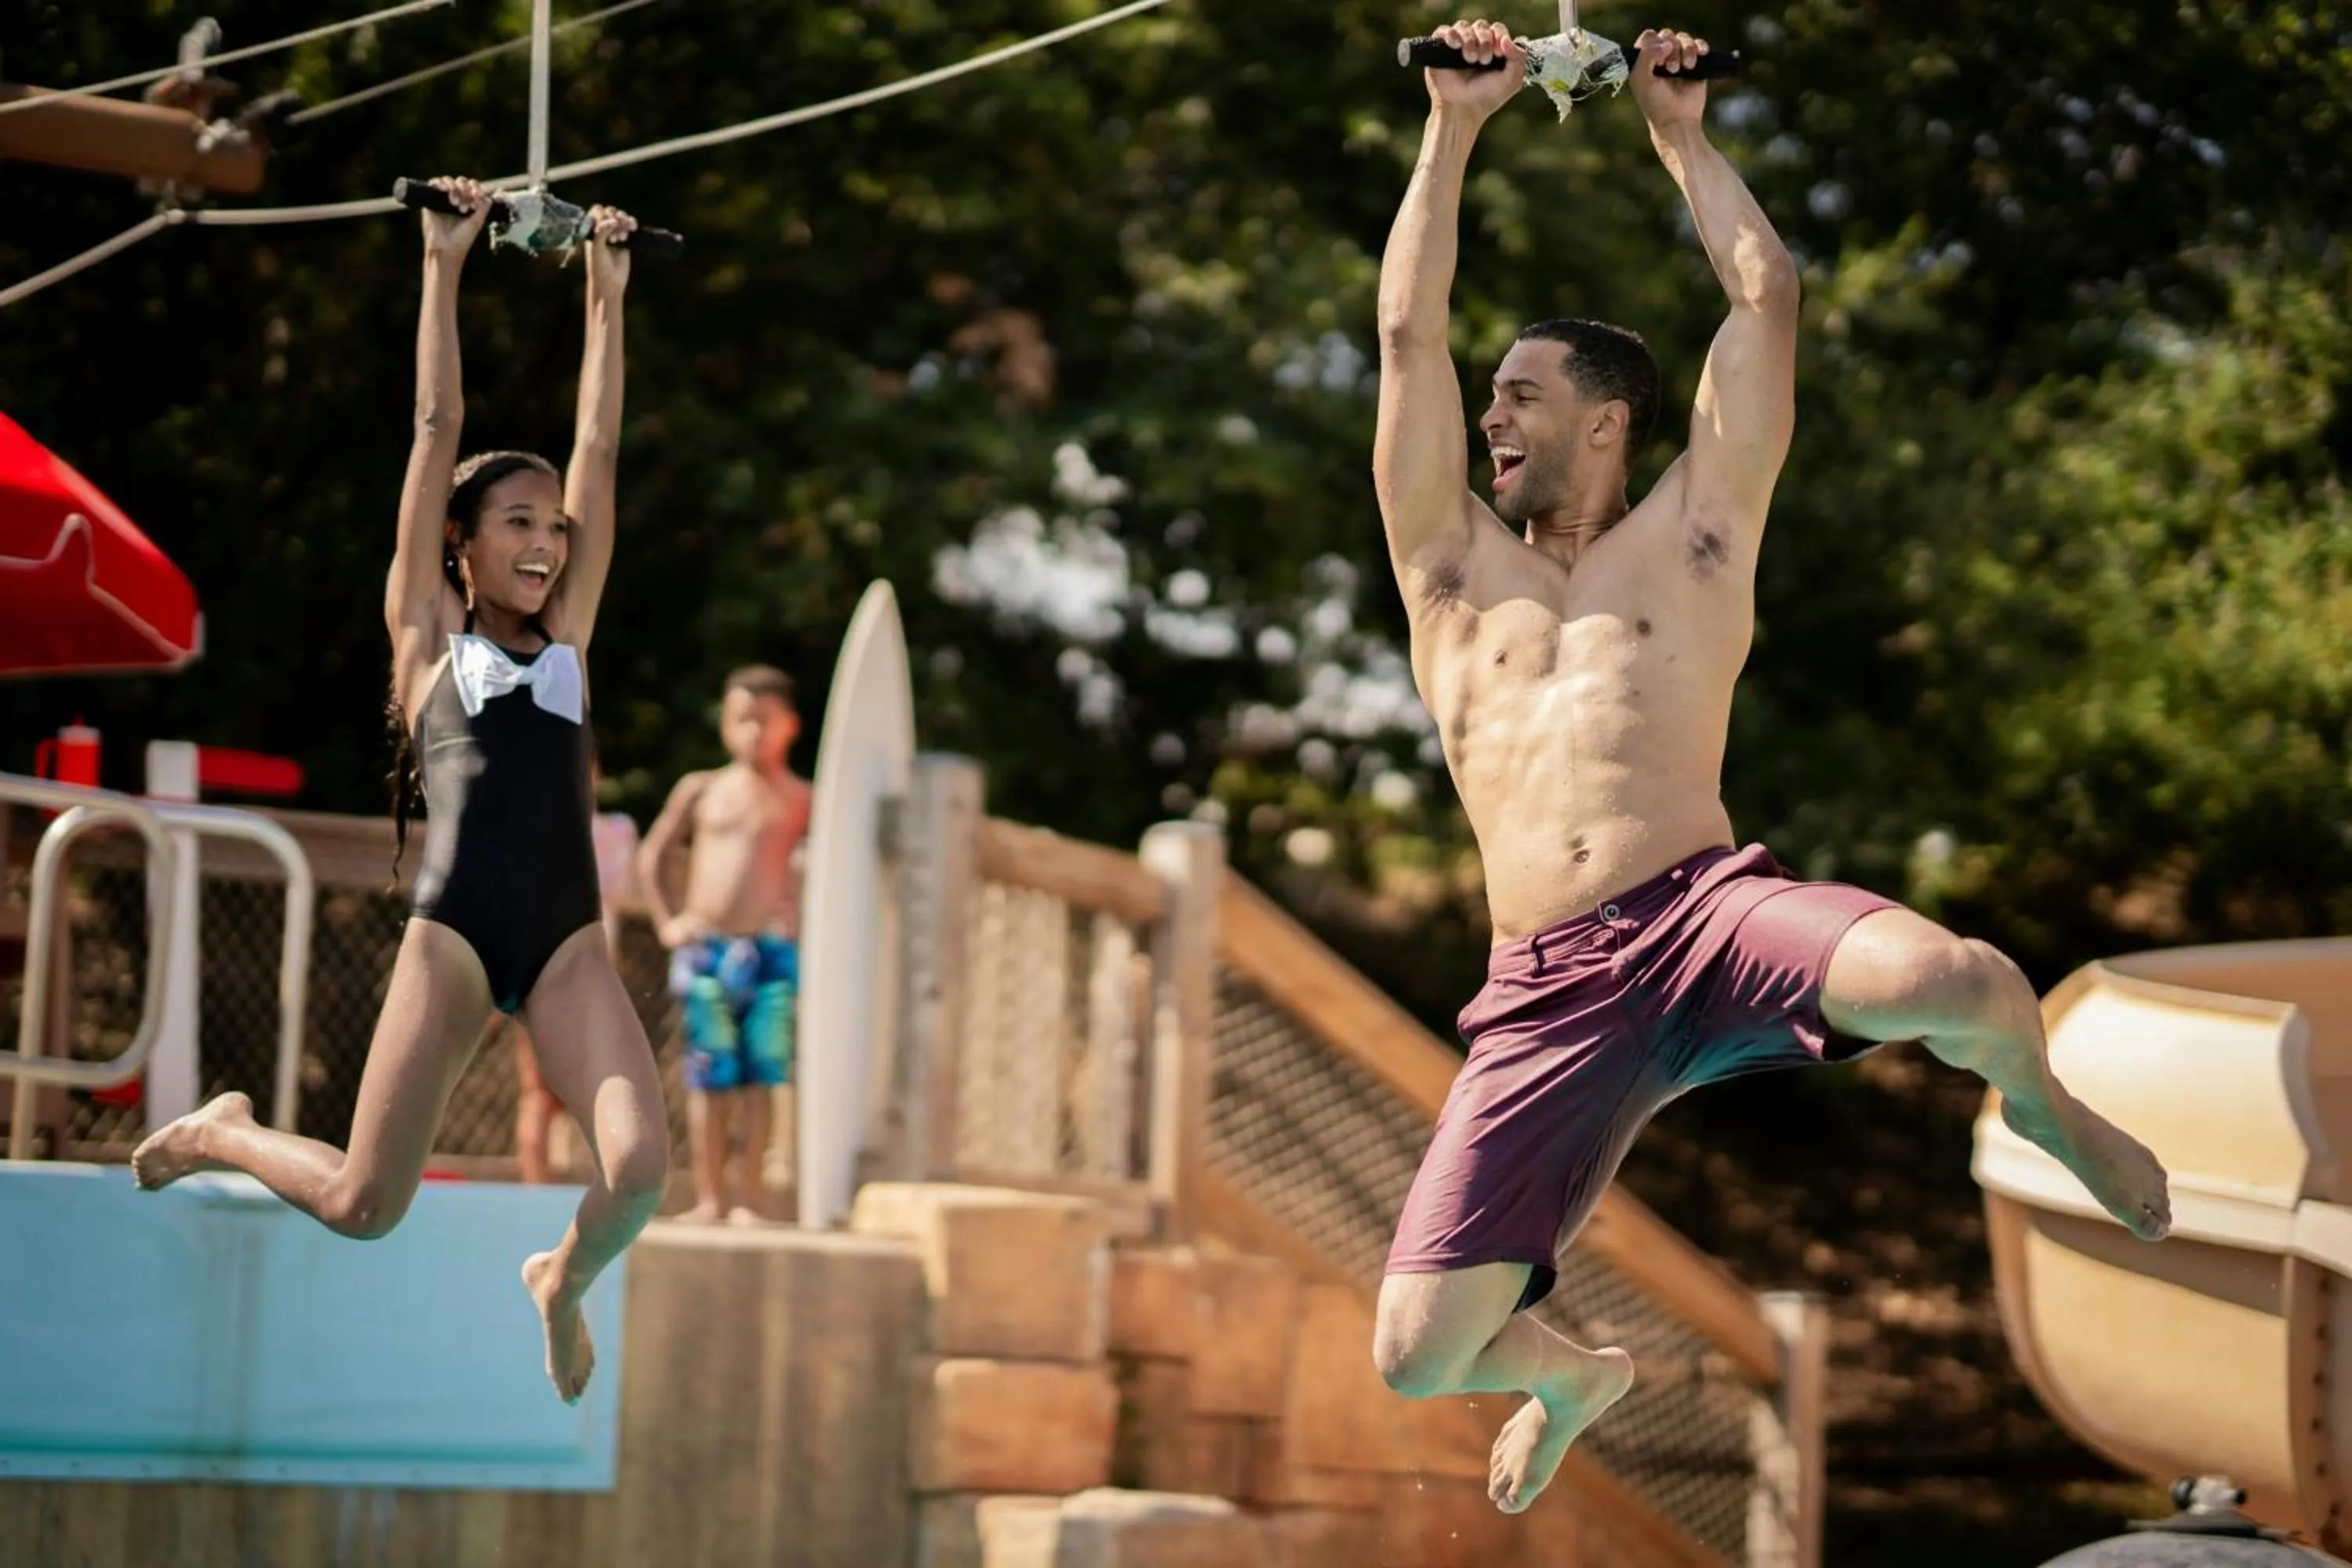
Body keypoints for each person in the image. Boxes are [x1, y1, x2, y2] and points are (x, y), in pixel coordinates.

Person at [1367, 22, 2172, 1515]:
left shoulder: (1696, 539)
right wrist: (1452, 127)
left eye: (1523, 397)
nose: (1490, 415)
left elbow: (1767, 294)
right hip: (1546, 986)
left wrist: (1681, 136)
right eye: (1493, 399)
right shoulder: (1447, 570)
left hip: (1705, 915)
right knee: (1418, 1353)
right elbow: (1409, 336)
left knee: (1973, 986)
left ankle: (2045, 1106)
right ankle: (1565, 1373)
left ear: (1609, 421)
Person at [130, 177, 666, 1406]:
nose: (545, 542)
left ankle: (563, 1283)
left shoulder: (570, 639)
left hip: (569, 940)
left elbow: (601, 445)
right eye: (518, 522)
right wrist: (443, 261)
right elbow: (435, 428)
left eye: (556, 529)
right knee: (367, 1207)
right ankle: (224, 1130)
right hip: (457, 939)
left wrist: (608, 292)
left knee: (638, 1172)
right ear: (462, 546)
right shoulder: (427, 639)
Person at [637, 666, 811, 1225]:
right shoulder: (702, 788)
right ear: (725, 725)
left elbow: (827, 870)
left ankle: (749, 1201)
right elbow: (653, 854)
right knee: (709, 1077)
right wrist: (669, 922)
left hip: (771, 954)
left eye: (765, 720)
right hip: (707, 947)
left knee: (763, 1076)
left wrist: (801, 917)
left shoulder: (803, 798)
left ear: (790, 727)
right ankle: (711, 1199)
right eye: (742, 719)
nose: (753, 731)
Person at [514, 753, 641, 1186]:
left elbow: (619, 901)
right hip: (542, 975)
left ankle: (596, 1190)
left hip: (595, 977)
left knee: (599, 1088)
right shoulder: (535, 831)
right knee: (541, 1094)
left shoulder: (614, 832)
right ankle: (537, 1190)